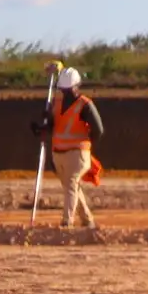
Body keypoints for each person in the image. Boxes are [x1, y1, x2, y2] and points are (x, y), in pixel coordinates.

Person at [37, 66, 105, 229]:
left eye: (69, 90)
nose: (67, 94)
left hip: (78, 154)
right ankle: (88, 220)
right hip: (58, 154)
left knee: (72, 183)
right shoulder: (57, 104)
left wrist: (86, 146)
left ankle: (67, 222)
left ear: (77, 87)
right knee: (71, 187)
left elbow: (99, 130)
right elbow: (53, 127)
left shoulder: (85, 104)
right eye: (64, 90)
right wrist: (43, 125)